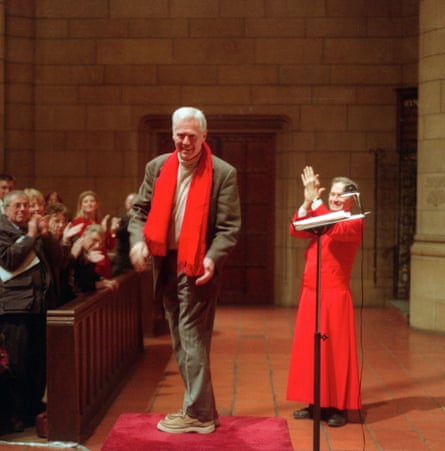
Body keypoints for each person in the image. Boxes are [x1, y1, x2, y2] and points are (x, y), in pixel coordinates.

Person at [128, 106, 241, 434]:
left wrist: (212, 257)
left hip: (196, 267)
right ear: (172, 134)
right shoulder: (157, 167)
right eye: (180, 135)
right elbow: (139, 211)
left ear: (204, 136)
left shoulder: (223, 173)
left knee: (191, 335)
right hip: (165, 263)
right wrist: (138, 241)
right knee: (182, 338)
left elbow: (229, 227)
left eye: (192, 135)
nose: (185, 141)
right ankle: (203, 409)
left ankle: (198, 414)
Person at [287, 166, 364, 428]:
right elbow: (296, 229)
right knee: (312, 350)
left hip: (334, 296)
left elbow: (335, 230)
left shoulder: (353, 221)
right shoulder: (323, 216)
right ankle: (314, 403)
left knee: (335, 352)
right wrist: (308, 201)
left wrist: (318, 203)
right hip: (311, 292)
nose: (335, 198)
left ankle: (338, 408)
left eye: (340, 195)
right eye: (332, 193)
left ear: (352, 199)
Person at [0, 190, 54, 434]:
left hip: (38, 304)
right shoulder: (3, 230)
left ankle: (32, 409)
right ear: (7, 209)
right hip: (14, 307)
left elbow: (54, 259)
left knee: (37, 362)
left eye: (25, 205)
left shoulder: (29, 230)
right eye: (17, 206)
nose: (22, 210)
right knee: (18, 364)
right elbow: (9, 259)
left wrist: (45, 234)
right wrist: (31, 236)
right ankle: (15, 415)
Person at [71, 190, 119, 279]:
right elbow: (87, 247)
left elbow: (110, 246)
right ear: (81, 205)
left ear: (97, 204)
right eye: (85, 201)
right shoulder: (78, 222)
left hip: (104, 264)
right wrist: (103, 232)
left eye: (92, 201)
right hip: (91, 266)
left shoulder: (99, 222)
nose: (89, 204)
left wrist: (112, 231)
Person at [70, 224, 119, 293]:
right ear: (84, 235)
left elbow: (90, 275)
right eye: (94, 240)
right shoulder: (74, 247)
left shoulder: (89, 250)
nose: (97, 246)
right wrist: (100, 284)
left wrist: (102, 280)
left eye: (101, 243)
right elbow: (79, 284)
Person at [112, 192, 137, 276]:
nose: (132, 203)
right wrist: (114, 228)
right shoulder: (120, 219)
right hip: (122, 257)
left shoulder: (142, 220)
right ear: (126, 205)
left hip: (136, 255)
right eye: (129, 202)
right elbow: (115, 234)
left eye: (134, 201)